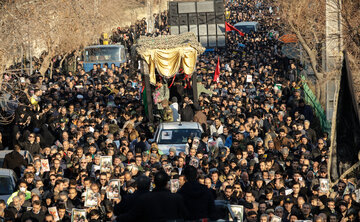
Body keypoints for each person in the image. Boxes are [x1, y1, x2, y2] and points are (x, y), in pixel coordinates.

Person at [117, 171, 187, 221]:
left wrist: (117, 218)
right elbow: (185, 215)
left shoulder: (145, 198)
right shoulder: (177, 198)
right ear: (167, 183)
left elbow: (132, 215)